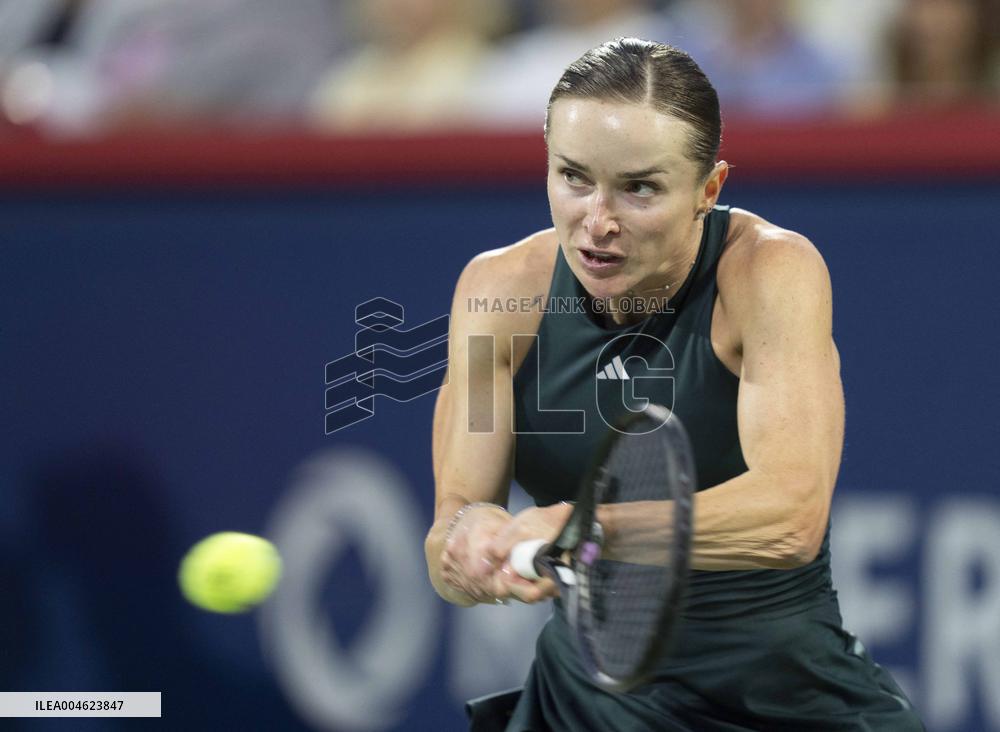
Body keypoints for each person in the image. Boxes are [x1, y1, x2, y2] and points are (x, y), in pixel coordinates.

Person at [425, 37, 925, 731]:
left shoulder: (770, 272)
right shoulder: (496, 294)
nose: (596, 221)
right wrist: (469, 544)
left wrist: (583, 529)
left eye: (639, 188)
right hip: (589, 700)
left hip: (784, 697)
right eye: (573, 177)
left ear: (708, 190)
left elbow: (790, 519)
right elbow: (448, 533)